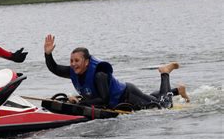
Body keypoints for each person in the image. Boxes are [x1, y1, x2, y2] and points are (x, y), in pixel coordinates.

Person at [43, 34, 190, 110]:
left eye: (77, 61)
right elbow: (54, 69)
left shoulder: (99, 74)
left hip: (128, 95)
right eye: (71, 61)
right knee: (149, 98)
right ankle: (177, 90)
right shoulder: (74, 71)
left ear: (86, 62)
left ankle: (165, 72)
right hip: (122, 98)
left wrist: (80, 102)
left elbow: (104, 100)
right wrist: (48, 54)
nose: (73, 64)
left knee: (163, 106)